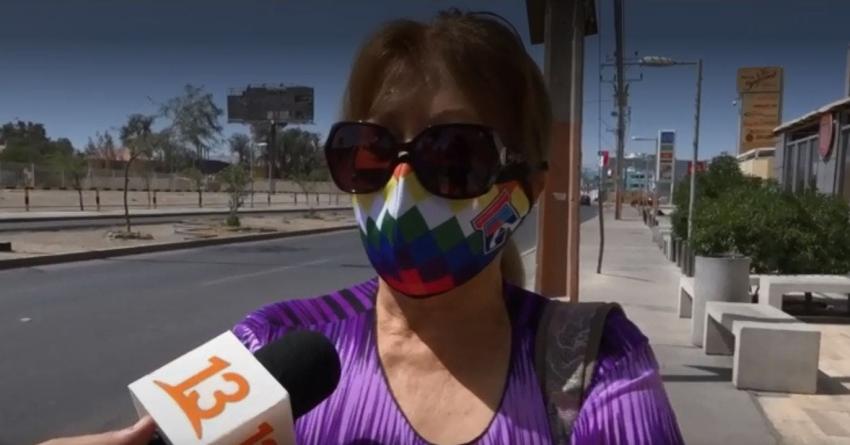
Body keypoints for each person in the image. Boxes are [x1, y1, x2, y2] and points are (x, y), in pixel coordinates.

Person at [44, 9, 683, 445]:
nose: (400, 186)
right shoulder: (275, 346)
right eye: (370, 151)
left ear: (528, 185)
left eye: (453, 155)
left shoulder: (596, 367)